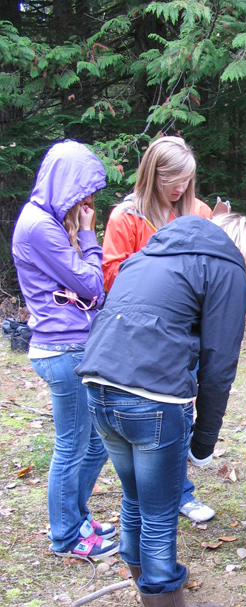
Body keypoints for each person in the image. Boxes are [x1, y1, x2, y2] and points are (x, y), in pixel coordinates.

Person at [76, 212, 246, 607]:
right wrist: (205, 440)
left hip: (98, 384)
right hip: (153, 399)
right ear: (244, 248)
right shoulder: (226, 266)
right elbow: (219, 366)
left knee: (136, 497)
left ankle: (145, 583)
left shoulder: (147, 254)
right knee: (159, 511)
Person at [11, 140, 118, 559]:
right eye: (83, 192)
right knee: (74, 446)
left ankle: (76, 516)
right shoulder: (39, 226)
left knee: (95, 443)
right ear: (65, 185)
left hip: (73, 345)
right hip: (64, 349)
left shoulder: (48, 221)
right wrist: (91, 235)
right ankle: (67, 536)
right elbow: (93, 285)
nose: (88, 202)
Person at [102, 135, 215, 524]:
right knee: (149, 416)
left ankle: (180, 492)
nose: (180, 189)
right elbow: (111, 277)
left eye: (187, 180)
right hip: (138, 337)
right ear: (152, 174)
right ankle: (150, 496)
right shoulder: (127, 216)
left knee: (182, 412)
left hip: (187, 334)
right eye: (173, 180)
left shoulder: (198, 212)